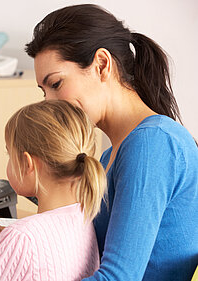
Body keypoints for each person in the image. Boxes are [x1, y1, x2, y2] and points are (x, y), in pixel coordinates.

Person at [25, 4, 198, 281]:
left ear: (102, 65)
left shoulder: (152, 144)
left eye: (56, 84)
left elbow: (118, 278)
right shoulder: (109, 156)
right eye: (44, 91)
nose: (49, 104)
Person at [0, 100, 106, 280]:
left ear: (27, 164)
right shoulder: (86, 219)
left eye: (9, 154)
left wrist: (9, 244)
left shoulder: (22, 238)